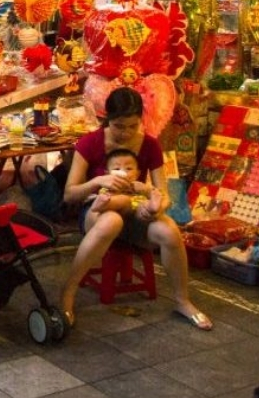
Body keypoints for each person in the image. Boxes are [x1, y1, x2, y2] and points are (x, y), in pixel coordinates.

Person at [59, 86, 211, 331]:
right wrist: (99, 181)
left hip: (135, 211)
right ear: (107, 119)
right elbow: (69, 194)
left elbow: (163, 193)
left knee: (170, 230)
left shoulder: (150, 145)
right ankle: (68, 293)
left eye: (133, 126)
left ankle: (183, 300)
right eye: (119, 126)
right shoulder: (90, 143)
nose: (126, 133)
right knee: (112, 221)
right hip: (97, 213)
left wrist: (154, 209)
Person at [87, 148, 162, 219]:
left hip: (137, 212)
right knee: (123, 199)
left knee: (143, 205)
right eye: (117, 169)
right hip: (115, 213)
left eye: (129, 168)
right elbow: (107, 193)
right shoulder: (109, 187)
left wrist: (146, 190)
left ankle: (152, 207)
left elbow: (149, 192)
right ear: (107, 174)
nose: (123, 172)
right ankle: (102, 204)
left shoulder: (138, 186)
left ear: (137, 174)